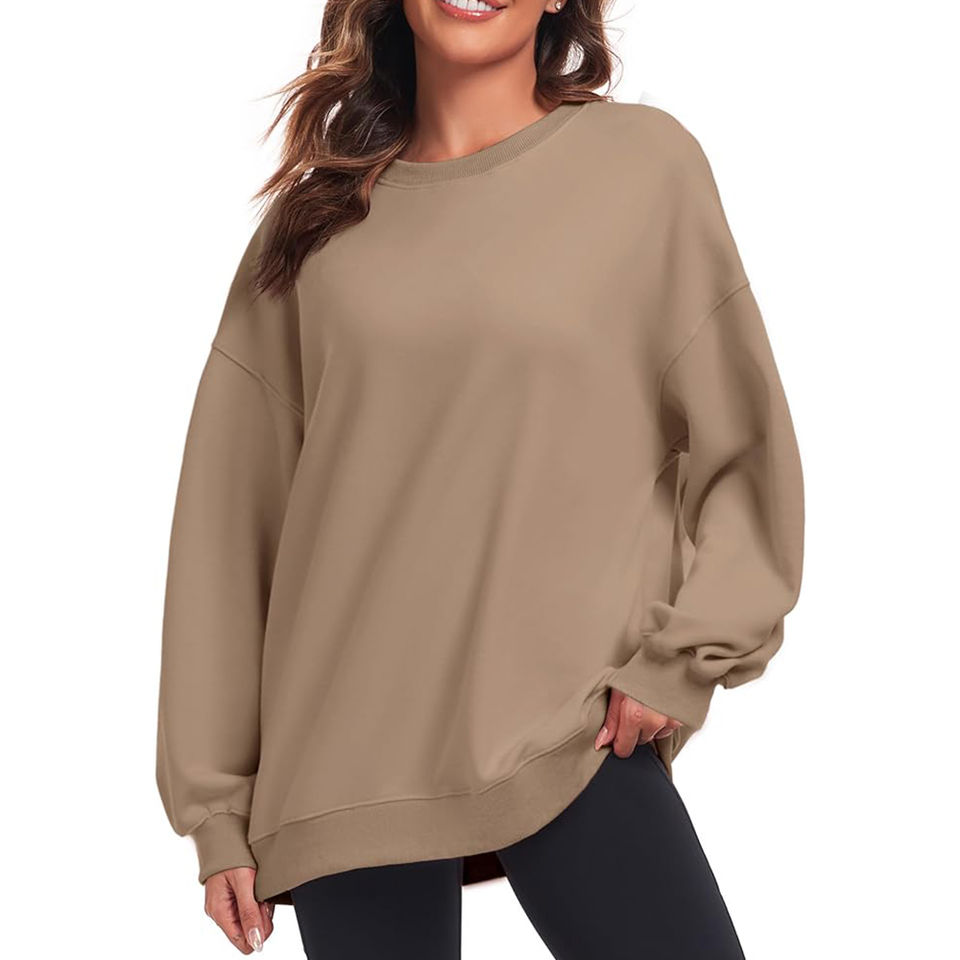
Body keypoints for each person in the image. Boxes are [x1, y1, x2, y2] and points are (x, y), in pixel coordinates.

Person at [155, 0, 805, 956]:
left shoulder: (641, 168)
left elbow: (743, 445)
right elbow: (228, 521)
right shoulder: (312, 224)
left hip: (567, 729)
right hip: (343, 766)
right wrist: (216, 805)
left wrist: (685, 655)